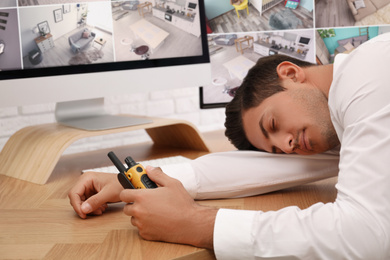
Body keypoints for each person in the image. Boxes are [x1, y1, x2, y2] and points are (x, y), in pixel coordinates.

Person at [68, 32, 390, 259]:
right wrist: (135, 179)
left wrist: (195, 224)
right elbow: (265, 168)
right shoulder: (334, 120)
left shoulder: (363, 77)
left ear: (290, 73)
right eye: (276, 148)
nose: (288, 146)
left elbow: (365, 235)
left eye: (273, 125)